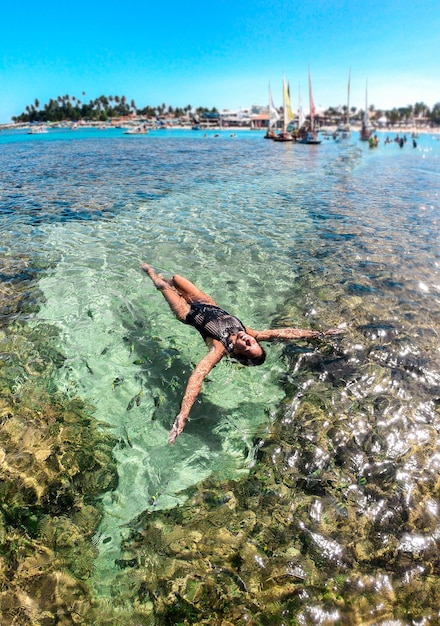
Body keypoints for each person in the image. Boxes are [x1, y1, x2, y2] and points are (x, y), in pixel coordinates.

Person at [141, 264, 341, 443]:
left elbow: (198, 376)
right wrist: (319, 334)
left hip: (187, 312)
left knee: (163, 285)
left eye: (247, 347)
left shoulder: (219, 348)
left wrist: (182, 415)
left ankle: (150, 272)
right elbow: (283, 333)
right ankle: (170, 284)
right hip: (208, 303)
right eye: (253, 343)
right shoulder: (249, 333)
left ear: (237, 353)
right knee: (176, 278)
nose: (248, 340)